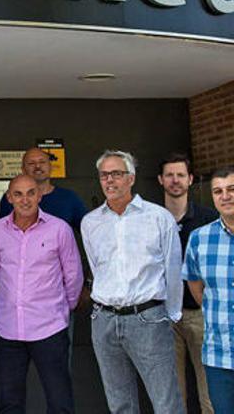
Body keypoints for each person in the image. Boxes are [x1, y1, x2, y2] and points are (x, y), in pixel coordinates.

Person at [82, 150, 184, 413]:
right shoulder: (90, 222)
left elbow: (173, 271)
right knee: (120, 403)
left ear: (131, 178)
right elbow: (97, 268)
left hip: (148, 319)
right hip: (104, 321)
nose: (109, 180)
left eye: (116, 173)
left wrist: (171, 315)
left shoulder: (158, 217)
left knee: (166, 401)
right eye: (104, 175)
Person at [0, 175, 82, 414]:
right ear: (9, 198)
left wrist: (62, 310)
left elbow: (73, 276)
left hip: (48, 328)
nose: (25, 199)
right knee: (10, 403)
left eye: (31, 192)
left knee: (59, 400)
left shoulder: (59, 229)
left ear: (40, 195)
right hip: (8, 329)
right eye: (18, 194)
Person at [158, 153, 216, 413]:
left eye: (180, 175)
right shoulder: (152, 220)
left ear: (190, 179)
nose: (175, 180)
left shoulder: (208, 220)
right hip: (163, 317)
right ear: (160, 180)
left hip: (200, 315)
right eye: (169, 175)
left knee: (210, 392)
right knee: (172, 394)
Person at [183, 166, 234, 412]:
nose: (225, 196)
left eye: (231, 189)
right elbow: (196, 287)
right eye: (218, 191)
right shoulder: (199, 238)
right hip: (219, 355)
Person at [0, 148, 87, 230]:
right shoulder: (12, 199)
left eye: (42, 162)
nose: (37, 166)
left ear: (50, 167)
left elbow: (88, 231)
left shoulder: (68, 197)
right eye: (31, 163)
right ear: (23, 170)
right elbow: (4, 232)